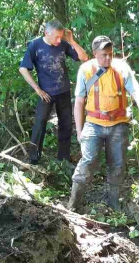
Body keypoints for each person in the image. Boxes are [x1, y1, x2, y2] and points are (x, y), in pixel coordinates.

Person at [67, 36, 139, 212]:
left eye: (110, 54)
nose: (108, 58)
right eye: (104, 55)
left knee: (117, 164)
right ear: (94, 54)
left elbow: (137, 93)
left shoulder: (122, 68)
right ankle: (73, 204)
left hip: (118, 124)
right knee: (88, 161)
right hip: (93, 123)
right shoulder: (85, 70)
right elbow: (79, 102)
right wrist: (79, 131)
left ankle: (114, 205)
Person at [19, 20, 89, 166]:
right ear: (46, 33)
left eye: (60, 37)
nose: (59, 40)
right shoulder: (35, 45)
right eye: (56, 37)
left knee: (66, 125)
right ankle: (33, 159)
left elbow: (84, 58)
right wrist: (37, 89)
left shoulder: (63, 44)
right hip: (46, 93)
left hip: (63, 91)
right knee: (40, 124)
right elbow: (23, 68)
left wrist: (71, 40)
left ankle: (63, 159)